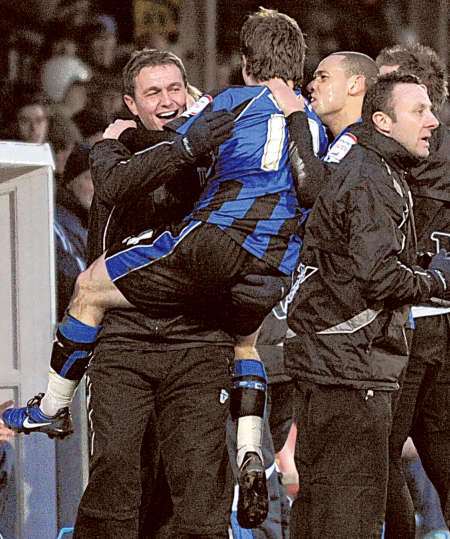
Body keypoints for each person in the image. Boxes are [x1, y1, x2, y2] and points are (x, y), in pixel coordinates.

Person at [284, 72, 447, 538]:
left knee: (317, 513)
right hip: (350, 370)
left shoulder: (372, 170)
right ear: (382, 121)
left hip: (332, 364)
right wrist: (437, 279)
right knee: (346, 518)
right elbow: (377, 277)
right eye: (419, 111)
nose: (432, 121)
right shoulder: (373, 178)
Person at [375, 43, 450, 537]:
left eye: (383, 83)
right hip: (435, 325)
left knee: (375, 466)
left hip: (410, 328)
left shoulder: (410, 156)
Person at [54, 143, 93, 320]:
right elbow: (78, 280)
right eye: (89, 178)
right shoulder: (57, 221)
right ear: (70, 183)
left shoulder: (85, 221)